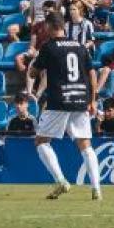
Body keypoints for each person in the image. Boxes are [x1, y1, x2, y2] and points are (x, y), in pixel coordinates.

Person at [28, 11, 103, 201]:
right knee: (85, 145)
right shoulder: (80, 46)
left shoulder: (48, 47)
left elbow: (32, 74)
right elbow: (92, 73)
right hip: (80, 99)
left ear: (49, 26)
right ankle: (96, 189)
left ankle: (61, 181)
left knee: (41, 141)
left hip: (59, 100)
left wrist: (35, 60)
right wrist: (93, 100)